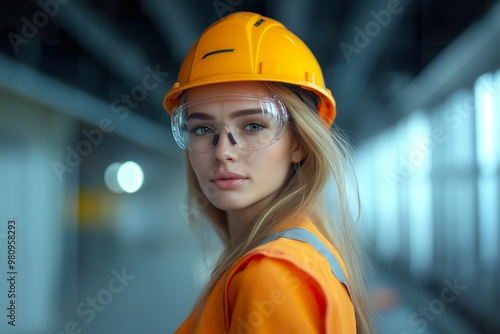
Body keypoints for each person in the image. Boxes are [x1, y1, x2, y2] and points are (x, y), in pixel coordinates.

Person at [163, 11, 376, 334]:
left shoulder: (272, 274)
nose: (222, 151)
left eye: (252, 126)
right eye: (203, 128)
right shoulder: (297, 250)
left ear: (299, 143)